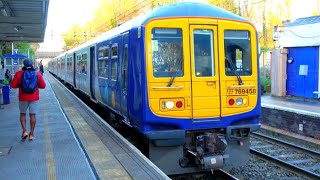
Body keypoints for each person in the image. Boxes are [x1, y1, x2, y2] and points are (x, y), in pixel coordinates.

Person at [10, 59, 46, 141]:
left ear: (24, 64)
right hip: (34, 98)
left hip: (23, 97)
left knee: (22, 114)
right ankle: (32, 134)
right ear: (32, 64)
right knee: (32, 115)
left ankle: (24, 131)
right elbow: (43, 86)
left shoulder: (19, 74)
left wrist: (20, 85)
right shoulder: (37, 74)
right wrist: (35, 86)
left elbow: (12, 85)